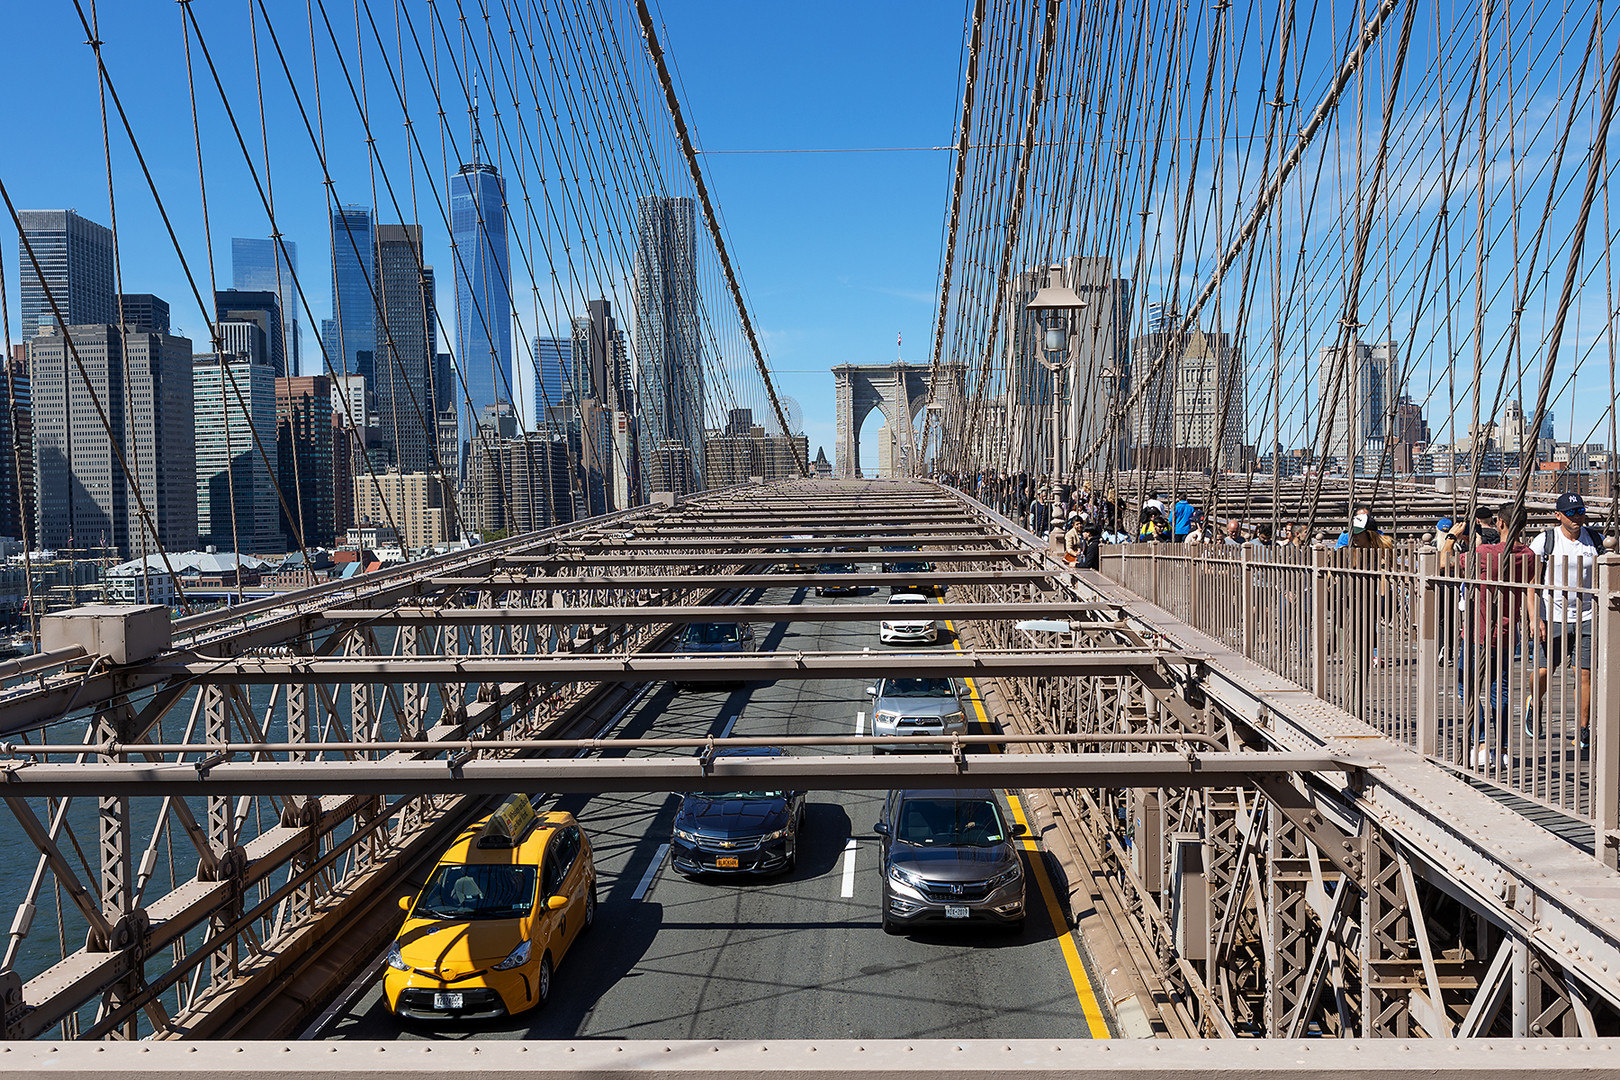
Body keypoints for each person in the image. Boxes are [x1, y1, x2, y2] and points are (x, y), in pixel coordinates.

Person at [1526, 493, 1604, 750]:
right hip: (1553, 615)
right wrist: (1534, 618)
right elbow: (1532, 584)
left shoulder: (1595, 540)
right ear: (1558, 515)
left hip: (1587, 615)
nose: (1577, 517)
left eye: (1580, 511)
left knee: (1584, 673)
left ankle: (1583, 728)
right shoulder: (1545, 541)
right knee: (1544, 670)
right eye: (1570, 513)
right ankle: (1535, 703)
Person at [1460, 510, 1535, 770]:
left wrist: (1453, 536)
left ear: (1500, 522)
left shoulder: (1484, 554)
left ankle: (1480, 743)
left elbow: (1446, 561)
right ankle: (1502, 749)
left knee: (1466, 687)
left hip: (1478, 632)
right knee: (1499, 690)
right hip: (1506, 634)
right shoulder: (1528, 556)